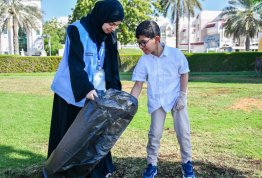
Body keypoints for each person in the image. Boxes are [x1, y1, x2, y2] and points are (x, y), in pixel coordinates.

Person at [47, 0, 124, 177]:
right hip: (71, 92)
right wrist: (86, 89)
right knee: (70, 136)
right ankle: (62, 170)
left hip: (95, 93)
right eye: (111, 23)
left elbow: (111, 68)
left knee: (94, 133)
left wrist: (114, 93)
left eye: (117, 25)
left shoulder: (109, 35)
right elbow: (75, 64)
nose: (113, 28)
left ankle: (96, 170)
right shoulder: (76, 30)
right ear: (101, 17)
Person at [130, 20, 195, 178]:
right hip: (157, 101)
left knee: (183, 132)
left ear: (156, 39)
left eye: (144, 42)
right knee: (154, 134)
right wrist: (129, 103)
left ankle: (187, 163)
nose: (141, 47)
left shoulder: (175, 54)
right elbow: (138, 84)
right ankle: (152, 165)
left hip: (175, 99)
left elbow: (184, 73)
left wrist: (182, 95)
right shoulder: (144, 60)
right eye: (139, 43)